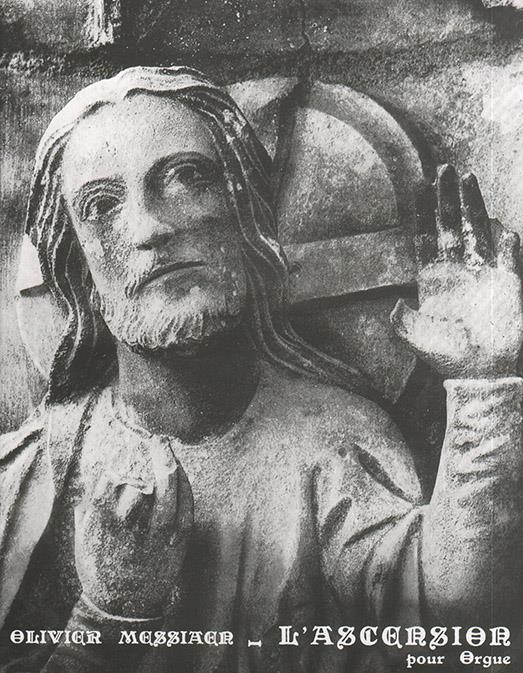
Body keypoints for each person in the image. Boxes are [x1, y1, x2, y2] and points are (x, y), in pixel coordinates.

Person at [0, 66, 521, 673]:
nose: (150, 228)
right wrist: (108, 617)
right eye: (101, 205)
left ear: (244, 213)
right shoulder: (23, 477)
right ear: (81, 271)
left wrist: (485, 389)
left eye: (187, 177)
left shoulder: (333, 441)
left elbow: (454, 634)